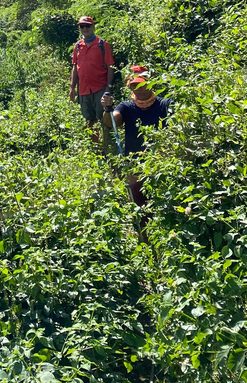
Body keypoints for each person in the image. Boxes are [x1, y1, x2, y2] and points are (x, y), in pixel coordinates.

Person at [101, 65, 174, 237]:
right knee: (140, 208)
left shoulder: (165, 104)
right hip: (135, 167)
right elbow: (112, 122)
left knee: (164, 207)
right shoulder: (126, 107)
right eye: (134, 86)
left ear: (151, 84)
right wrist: (107, 109)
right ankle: (145, 242)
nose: (139, 89)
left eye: (142, 85)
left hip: (161, 165)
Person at [70, 16, 116, 150]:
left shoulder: (102, 44)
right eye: (81, 26)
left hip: (99, 88)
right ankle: (96, 148)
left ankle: (108, 147)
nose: (84, 29)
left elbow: (110, 67)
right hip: (83, 89)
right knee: (89, 120)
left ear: (93, 27)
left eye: (87, 26)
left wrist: (108, 87)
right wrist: (72, 87)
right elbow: (75, 67)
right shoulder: (78, 46)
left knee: (104, 119)